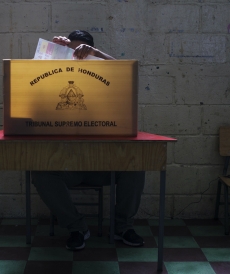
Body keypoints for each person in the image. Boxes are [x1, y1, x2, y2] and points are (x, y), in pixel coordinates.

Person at [31, 30, 145, 251]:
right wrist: (55, 52)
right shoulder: (56, 81)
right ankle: (77, 228)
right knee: (41, 175)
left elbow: (126, 73)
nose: (77, 56)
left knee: (135, 168)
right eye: (72, 52)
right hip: (67, 164)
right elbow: (29, 81)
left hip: (103, 163)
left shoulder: (105, 80)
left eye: (82, 52)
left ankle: (123, 227)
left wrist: (96, 53)